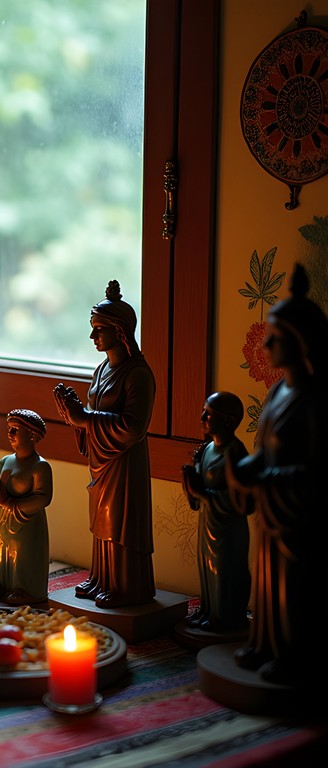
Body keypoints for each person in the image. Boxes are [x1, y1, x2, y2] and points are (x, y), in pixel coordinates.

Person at [225, 264, 328, 686]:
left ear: (301, 343)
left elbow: (318, 471)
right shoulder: (277, 391)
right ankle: (265, 643)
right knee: (267, 587)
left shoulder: (316, 400)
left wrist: (264, 480)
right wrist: (244, 466)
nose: (265, 343)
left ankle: (297, 654)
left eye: (276, 335)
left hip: (300, 521)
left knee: (296, 589)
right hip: (271, 517)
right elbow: (265, 450)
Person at [53, 279, 156, 609]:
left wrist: (85, 418)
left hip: (125, 462)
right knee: (101, 520)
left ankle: (125, 585)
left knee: (122, 521)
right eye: (92, 327)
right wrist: (73, 415)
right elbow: (90, 414)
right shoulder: (100, 370)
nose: (92, 336)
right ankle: (102, 578)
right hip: (101, 460)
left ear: (120, 330)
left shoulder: (138, 374)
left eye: (99, 329)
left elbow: (133, 428)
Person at [180, 392, 251, 632]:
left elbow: (240, 499)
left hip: (228, 528)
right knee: (207, 568)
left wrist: (202, 493)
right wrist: (190, 482)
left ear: (229, 421)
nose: (202, 418)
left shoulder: (235, 453)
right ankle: (208, 610)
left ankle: (226, 618)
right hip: (208, 522)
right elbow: (199, 486)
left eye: (208, 414)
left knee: (225, 570)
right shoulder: (208, 448)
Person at [0, 409, 53, 605]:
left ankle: (24, 588)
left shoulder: (40, 466)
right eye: (9, 429)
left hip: (27, 524)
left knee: (23, 555)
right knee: (3, 553)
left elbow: (43, 498)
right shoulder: (5, 461)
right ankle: (0, 583)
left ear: (32, 435)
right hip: (5, 522)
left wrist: (9, 503)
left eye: (15, 429)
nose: (10, 433)